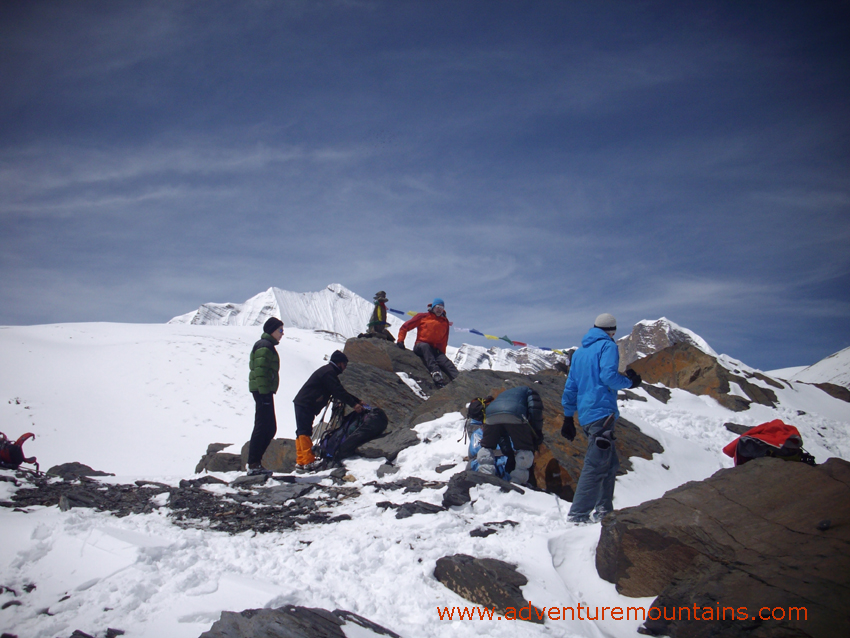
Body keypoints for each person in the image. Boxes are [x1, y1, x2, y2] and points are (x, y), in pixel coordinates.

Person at [561, 313, 642, 523]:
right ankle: (578, 515)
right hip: (602, 413)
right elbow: (608, 377)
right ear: (612, 331)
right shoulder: (608, 347)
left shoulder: (579, 353)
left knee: (610, 463)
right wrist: (630, 383)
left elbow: (571, 386)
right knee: (596, 464)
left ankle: (605, 510)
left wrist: (568, 417)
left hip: (586, 416)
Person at [293, 350, 364, 472]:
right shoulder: (329, 373)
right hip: (306, 403)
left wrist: (356, 401)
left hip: (303, 402)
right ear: (340, 363)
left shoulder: (327, 371)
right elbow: (338, 391)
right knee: (304, 431)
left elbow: (338, 390)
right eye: (345, 364)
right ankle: (308, 461)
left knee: (302, 430)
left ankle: (302, 461)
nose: (345, 368)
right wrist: (355, 404)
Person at [475, 386, 544, 486]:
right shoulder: (530, 392)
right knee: (524, 448)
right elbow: (535, 410)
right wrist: (536, 432)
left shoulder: (505, 394)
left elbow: (503, 434)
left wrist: (509, 453)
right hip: (514, 413)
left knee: (487, 446)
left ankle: (486, 475)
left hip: (491, 414)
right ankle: (518, 481)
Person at [246, 317, 285, 476]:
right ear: (272, 330)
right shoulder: (265, 346)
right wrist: (264, 394)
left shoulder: (267, 345)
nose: (282, 334)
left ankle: (255, 463)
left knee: (268, 427)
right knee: (264, 426)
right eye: (280, 330)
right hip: (263, 392)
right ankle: (253, 464)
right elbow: (260, 370)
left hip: (265, 392)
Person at [396, 298, 459, 388]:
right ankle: (435, 372)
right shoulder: (422, 317)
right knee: (425, 347)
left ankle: (461, 381)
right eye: (437, 307)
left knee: (447, 364)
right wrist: (400, 340)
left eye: (441, 308)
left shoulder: (444, 322)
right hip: (420, 346)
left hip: (436, 350)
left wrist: (442, 355)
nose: (439, 309)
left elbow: (444, 340)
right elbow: (405, 327)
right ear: (433, 307)